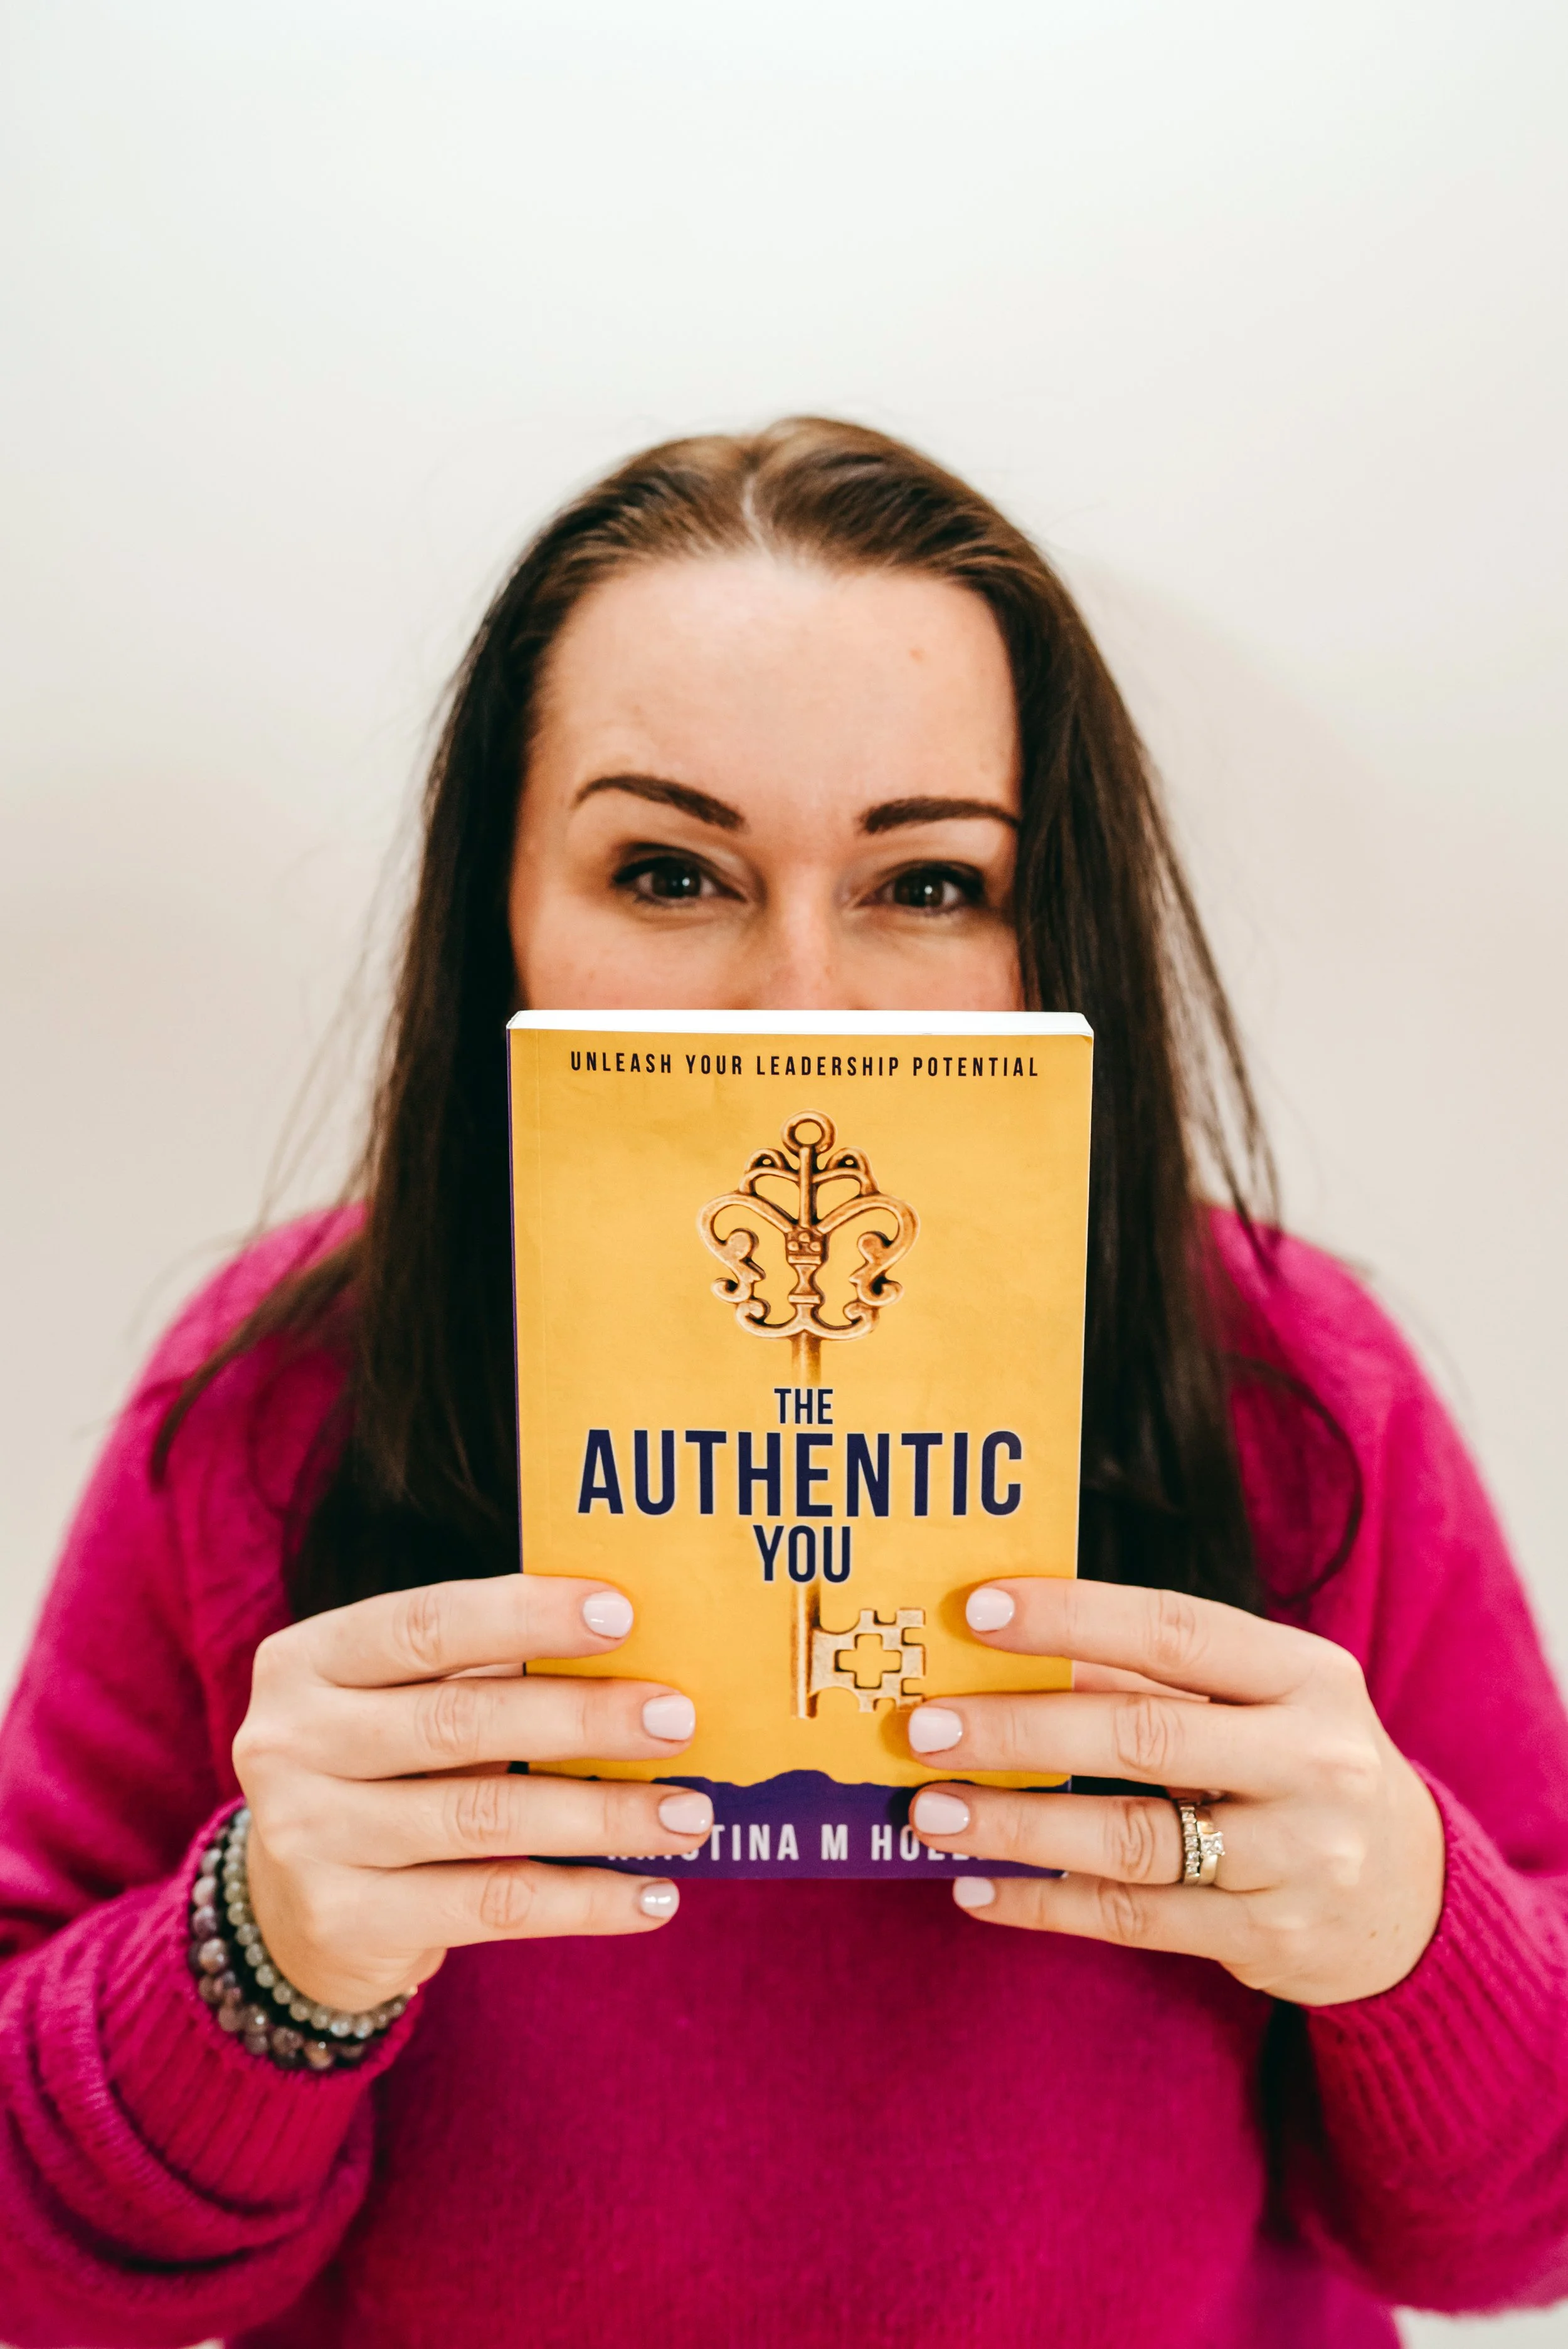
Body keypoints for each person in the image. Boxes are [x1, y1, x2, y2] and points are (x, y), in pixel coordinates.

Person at [1, 418, 1565, 2349]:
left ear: (1050, 931)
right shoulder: (281, 1395)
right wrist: (259, 1952)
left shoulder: (1289, 1386)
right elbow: (33, 2259)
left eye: (928, 885)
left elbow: (1511, 2240)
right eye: (668, 872)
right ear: (503, 909)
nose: (799, 1002)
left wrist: (1408, 1926)